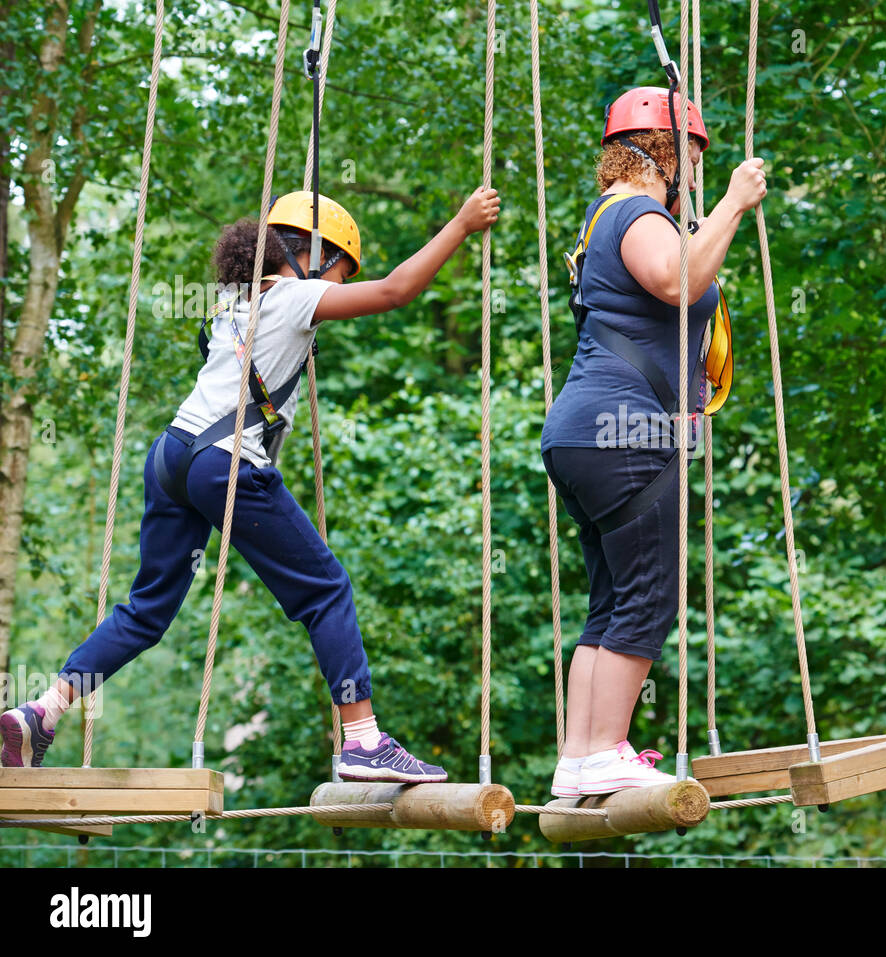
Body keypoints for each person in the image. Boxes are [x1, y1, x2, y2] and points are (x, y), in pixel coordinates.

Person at [1, 186, 500, 780]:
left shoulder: (232, 298)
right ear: (313, 256)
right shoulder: (294, 296)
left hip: (171, 458)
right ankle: (364, 741)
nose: (338, 289)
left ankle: (42, 710)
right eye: (340, 272)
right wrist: (461, 224)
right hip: (222, 461)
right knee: (326, 590)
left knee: (145, 610)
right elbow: (396, 291)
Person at [540, 86, 766, 794]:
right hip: (623, 431)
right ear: (668, 152)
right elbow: (676, 278)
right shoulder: (637, 212)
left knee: (610, 600)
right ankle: (607, 745)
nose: (696, 173)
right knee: (648, 596)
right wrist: (732, 202)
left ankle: (579, 757)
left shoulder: (604, 216)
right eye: (694, 157)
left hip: (587, 432)